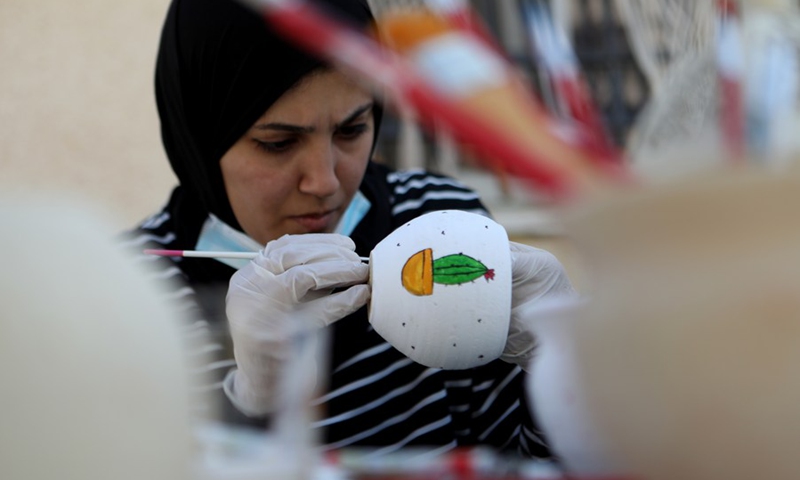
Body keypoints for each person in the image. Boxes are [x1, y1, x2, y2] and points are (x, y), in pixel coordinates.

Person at [122, 0, 575, 458]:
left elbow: (521, 459)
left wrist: (564, 366)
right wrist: (247, 406)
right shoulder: (131, 292)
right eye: (277, 143)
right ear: (198, 137)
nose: (324, 182)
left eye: (352, 130)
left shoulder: (441, 225)